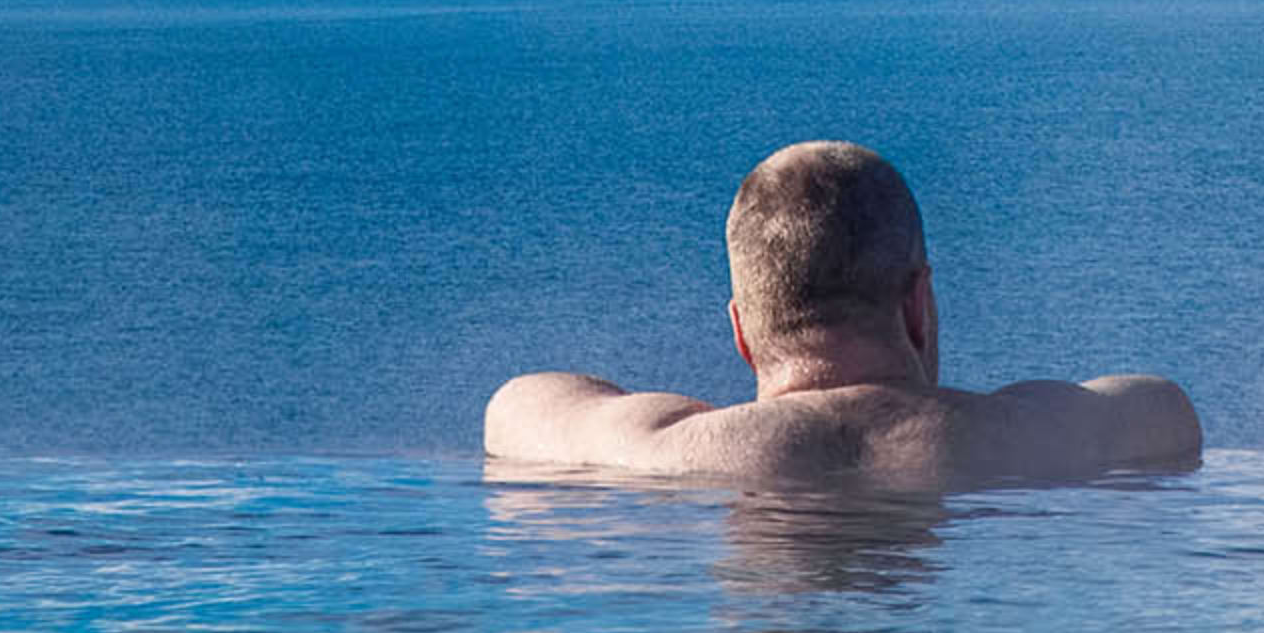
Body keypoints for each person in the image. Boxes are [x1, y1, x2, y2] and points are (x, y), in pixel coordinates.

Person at [486, 141, 1202, 485]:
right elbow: (1166, 406)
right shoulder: (1028, 435)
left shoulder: (664, 452)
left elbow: (515, 405)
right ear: (918, 303)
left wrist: (691, 420)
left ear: (741, 330)